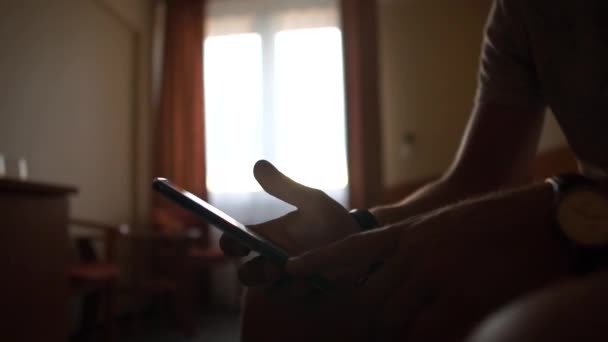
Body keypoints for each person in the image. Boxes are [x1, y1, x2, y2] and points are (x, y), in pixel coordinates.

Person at [221, 0, 608, 340]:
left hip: (583, 227)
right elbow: (478, 178)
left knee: (522, 332)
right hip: (578, 219)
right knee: (281, 301)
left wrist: (552, 216)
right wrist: (362, 227)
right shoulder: (520, 10)